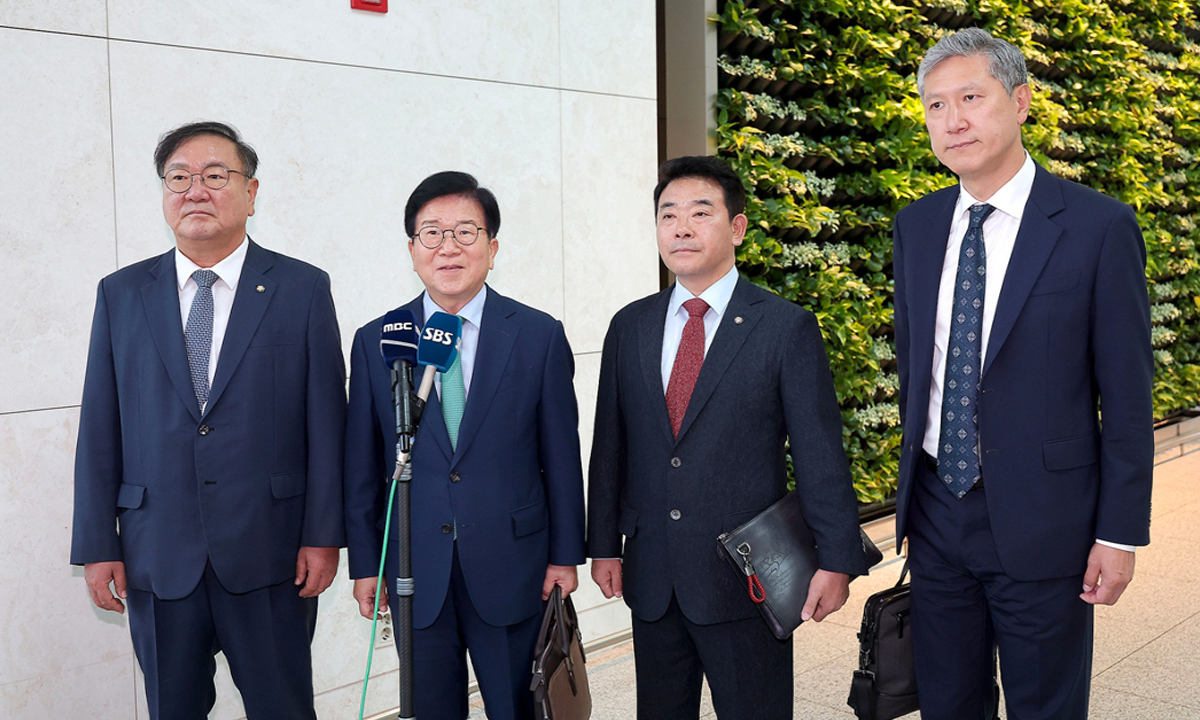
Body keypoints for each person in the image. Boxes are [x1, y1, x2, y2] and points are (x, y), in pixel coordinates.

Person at [892, 28, 1154, 719]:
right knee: (948, 705)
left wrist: (1119, 533)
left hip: (1047, 520)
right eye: (936, 105)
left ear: (1021, 101)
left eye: (971, 98)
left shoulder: (1098, 227)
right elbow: (919, 370)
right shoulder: (916, 227)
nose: (953, 120)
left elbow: (1128, 396)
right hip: (936, 515)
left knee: (1046, 708)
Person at [70, 121, 347, 720]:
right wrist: (96, 544)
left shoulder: (301, 288)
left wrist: (324, 535)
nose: (195, 190)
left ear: (251, 193)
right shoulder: (121, 294)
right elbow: (99, 427)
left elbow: (328, 424)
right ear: (164, 193)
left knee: (283, 708)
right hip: (157, 552)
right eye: (179, 177)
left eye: (215, 175)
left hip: (272, 551)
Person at [586, 155, 869, 719]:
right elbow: (610, 446)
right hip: (653, 574)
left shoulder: (784, 326)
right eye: (668, 215)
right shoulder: (630, 325)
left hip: (745, 578)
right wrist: (603, 544)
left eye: (700, 213)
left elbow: (818, 452)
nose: (681, 228)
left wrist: (837, 559)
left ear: (737, 228)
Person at [343, 171, 586, 720]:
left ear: (492, 248)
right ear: (412, 250)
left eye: (465, 232)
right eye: (431, 233)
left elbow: (561, 458)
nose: (448, 247)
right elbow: (362, 466)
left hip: (514, 566)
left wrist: (566, 556)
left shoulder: (537, 334)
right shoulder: (378, 339)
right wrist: (366, 564)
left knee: (519, 708)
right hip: (414, 569)